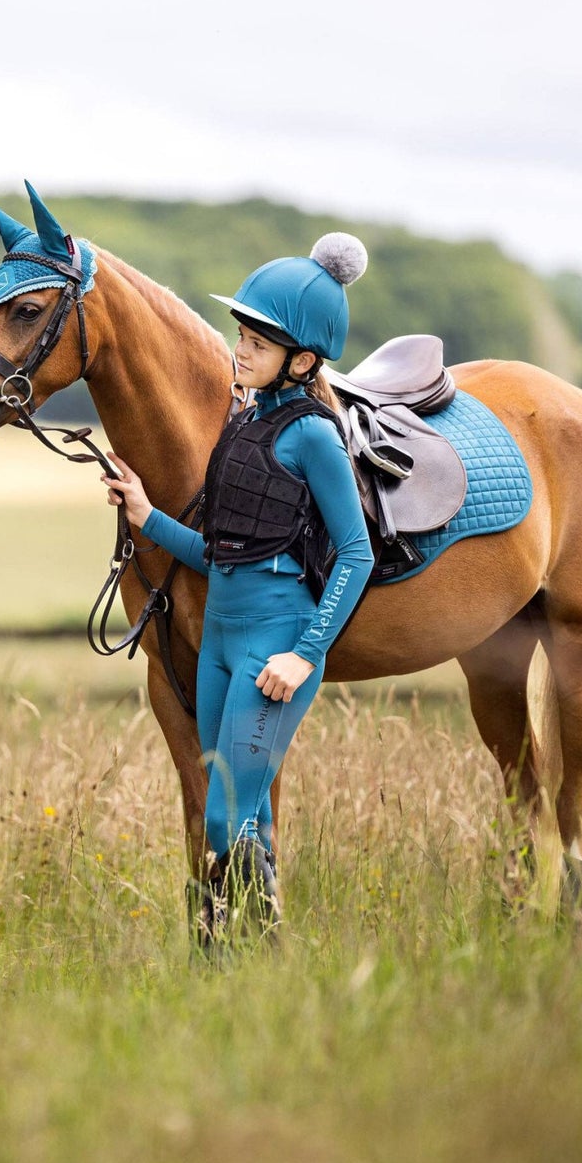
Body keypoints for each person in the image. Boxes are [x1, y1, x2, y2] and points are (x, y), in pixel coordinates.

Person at [102, 234, 376, 944]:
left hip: (272, 644)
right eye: (242, 334)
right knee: (239, 813)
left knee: (224, 812)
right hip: (221, 638)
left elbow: (355, 554)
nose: (241, 349)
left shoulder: (313, 434)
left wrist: (305, 653)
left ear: (305, 360)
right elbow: (217, 552)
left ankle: (240, 951)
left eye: (259, 340)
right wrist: (145, 516)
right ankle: (244, 960)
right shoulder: (243, 423)